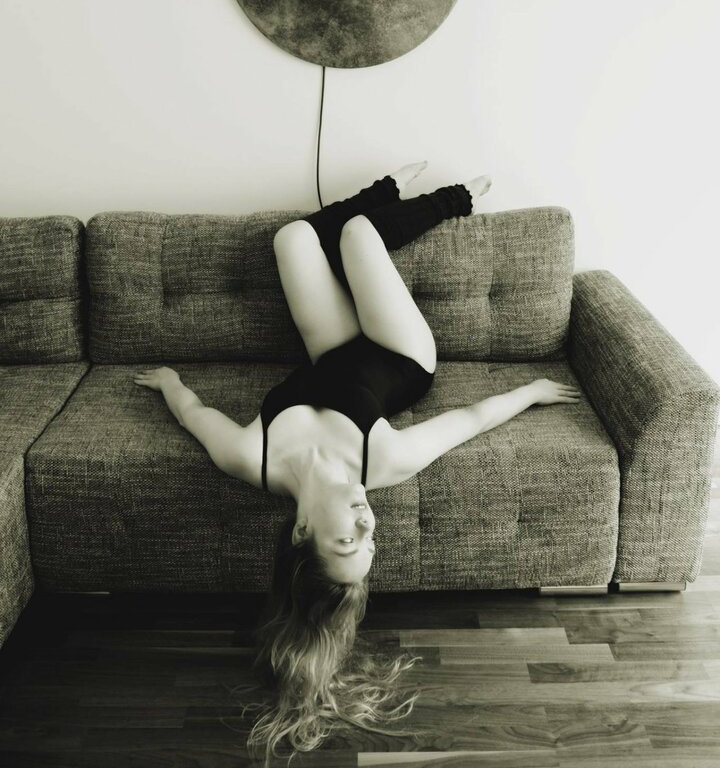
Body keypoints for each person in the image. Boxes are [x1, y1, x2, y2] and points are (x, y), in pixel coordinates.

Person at [132, 163, 581, 761]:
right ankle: (457, 197)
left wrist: (168, 382)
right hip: (401, 357)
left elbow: (194, 413)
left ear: (301, 531)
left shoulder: (248, 456)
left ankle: (385, 190)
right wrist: (532, 392)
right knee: (358, 233)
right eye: (372, 542)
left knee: (292, 238)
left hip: (333, 350)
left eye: (349, 540)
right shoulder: (385, 459)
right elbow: (471, 419)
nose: (369, 524)